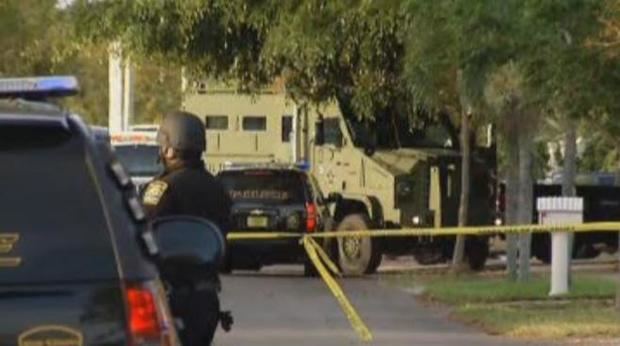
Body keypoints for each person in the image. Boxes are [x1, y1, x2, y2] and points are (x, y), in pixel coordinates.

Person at [142, 110, 232, 346]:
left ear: (170, 149)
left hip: (171, 299)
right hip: (207, 299)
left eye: (163, 145)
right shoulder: (217, 188)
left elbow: (141, 237)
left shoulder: (162, 188)